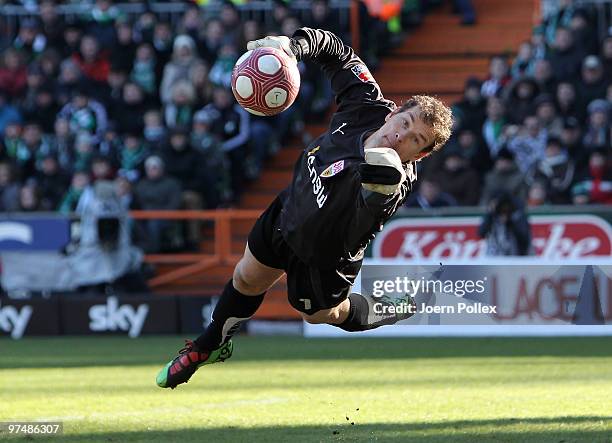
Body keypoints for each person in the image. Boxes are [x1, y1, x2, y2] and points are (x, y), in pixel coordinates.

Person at [155, 28, 452, 389]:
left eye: (415, 140)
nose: (401, 136)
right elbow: (336, 51)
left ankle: (393, 307)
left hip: (325, 256)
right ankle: (208, 346)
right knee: (246, 277)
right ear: (395, 111)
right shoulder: (366, 105)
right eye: (404, 123)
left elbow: (372, 203)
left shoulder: (393, 181)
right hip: (290, 208)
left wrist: (379, 183)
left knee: (322, 314)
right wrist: (290, 49)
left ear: (420, 154)